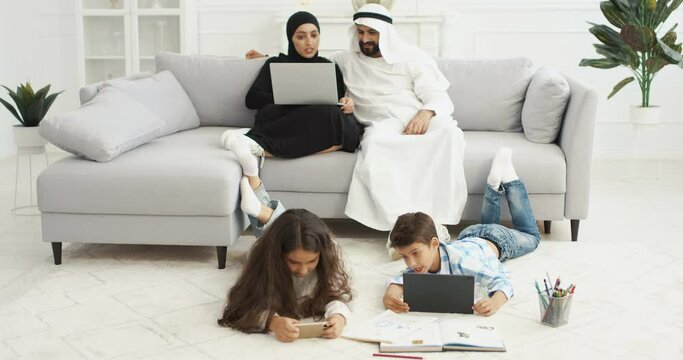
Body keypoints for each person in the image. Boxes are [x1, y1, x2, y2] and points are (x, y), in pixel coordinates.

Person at [245, 5, 467, 232]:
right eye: (360, 32)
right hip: (382, 125)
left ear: (386, 33)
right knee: (375, 145)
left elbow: (437, 96)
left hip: (416, 116)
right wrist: (267, 59)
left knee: (449, 132)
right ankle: (399, 225)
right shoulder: (346, 61)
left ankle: (437, 220)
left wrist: (426, 112)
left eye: (372, 32)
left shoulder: (411, 59)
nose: (365, 38)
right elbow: (306, 62)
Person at [383, 148, 541, 316]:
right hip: (469, 236)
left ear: (434, 243)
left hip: (498, 240)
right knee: (489, 225)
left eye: (415, 253)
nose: (411, 263)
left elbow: (502, 282)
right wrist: (390, 295)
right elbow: (400, 280)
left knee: (532, 235)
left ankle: (510, 179)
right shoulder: (421, 262)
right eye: (405, 256)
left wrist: (495, 302)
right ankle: (493, 186)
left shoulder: (464, 263)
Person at [217, 171, 352, 342]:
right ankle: (257, 198)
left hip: (288, 236)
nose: (303, 270)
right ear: (279, 256)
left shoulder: (328, 250)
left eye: (311, 261)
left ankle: (260, 208)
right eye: (294, 262)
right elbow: (239, 306)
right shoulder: (263, 255)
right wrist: (272, 321)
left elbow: (338, 293)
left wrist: (339, 317)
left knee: (286, 225)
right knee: (273, 230)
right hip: (266, 244)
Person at [223, 11, 364, 165]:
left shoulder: (328, 67)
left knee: (340, 121)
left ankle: (260, 149)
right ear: (291, 38)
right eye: (301, 37)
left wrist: (347, 103)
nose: (309, 42)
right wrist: (287, 96)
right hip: (284, 121)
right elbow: (251, 100)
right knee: (276, 113)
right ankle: (330, 145)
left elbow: (337, 102)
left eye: (314, 35)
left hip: (314, 121)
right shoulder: (276, 63)